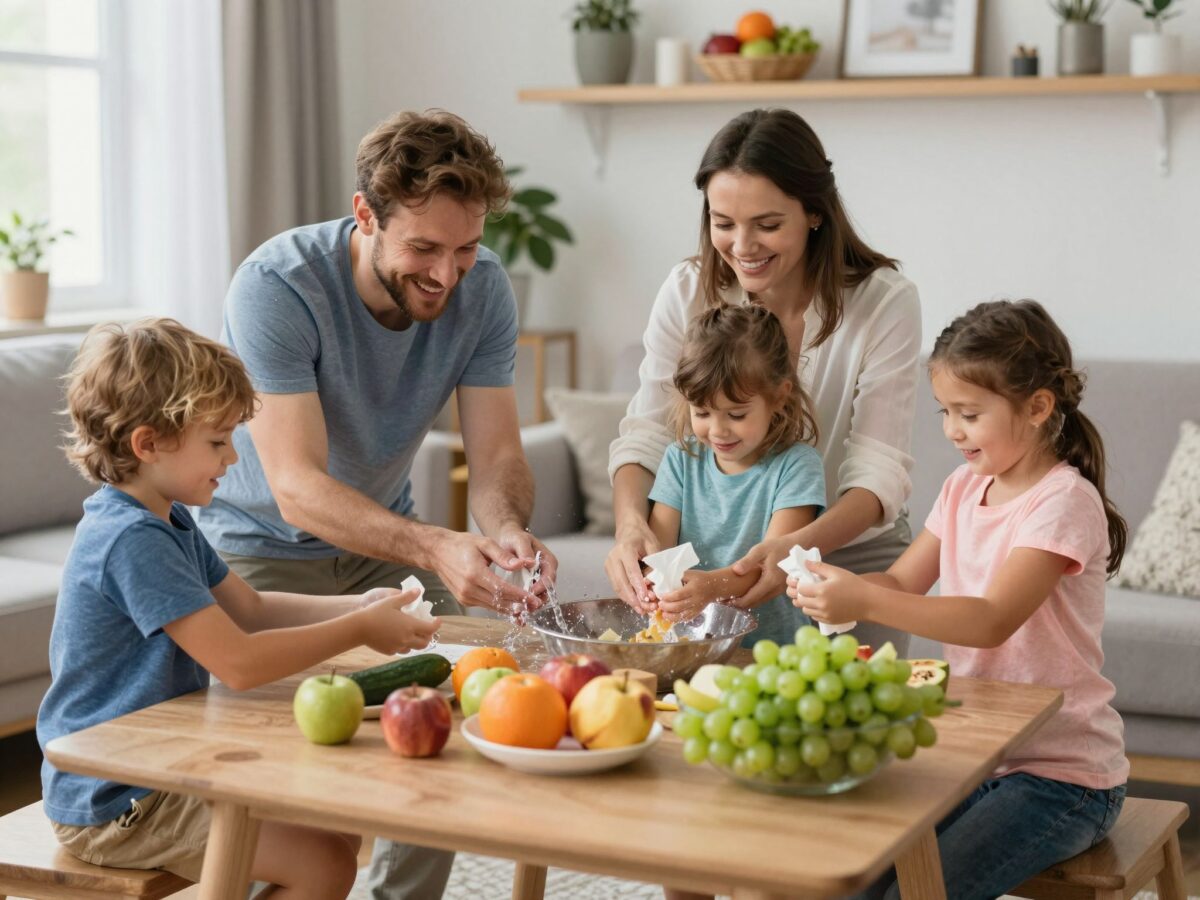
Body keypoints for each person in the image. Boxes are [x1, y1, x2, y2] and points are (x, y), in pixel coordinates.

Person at [195, 110, 560, 896]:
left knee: (446, 739)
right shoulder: (277, 287)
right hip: (254, 554)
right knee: (292, 795)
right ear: (365, 215)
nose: (446, 274)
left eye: (464, 249)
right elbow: (295, 487)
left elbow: (496, 453)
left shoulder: (483, 287)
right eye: (423, 249)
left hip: (377, 549)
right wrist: (434, 547)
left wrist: (506, 532)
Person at [37, 319, 441, 899]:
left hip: (163, 769)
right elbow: (240, 663)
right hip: (115, 796)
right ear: (147, 443)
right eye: (217, 441)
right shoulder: (131, 540)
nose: (232, 457)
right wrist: (358, 629)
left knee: (335, 834)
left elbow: (248, 609)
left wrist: (358, 602)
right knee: (323, 866)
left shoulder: (166, 516)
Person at [789, 300, 1128, 900]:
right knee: (850, 882)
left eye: (968, 413)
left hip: (1063, 780)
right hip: (977, 760)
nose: (951, 429)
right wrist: (831, 585)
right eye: (945, 411)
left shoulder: (1062, 504)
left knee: (916, 895)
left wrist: (863, 597)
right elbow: (900, 583)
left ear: (1038, 407)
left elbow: (990, 620)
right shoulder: (963, 487)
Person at [607, 107, 922, 658]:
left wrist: (793, 548)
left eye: (768, 224)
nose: (743, 246)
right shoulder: (687, 290)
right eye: (723, 223)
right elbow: (648, 433)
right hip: (718, 568)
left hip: (849, 561)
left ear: (815, 214)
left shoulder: (884, 302)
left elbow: (878, 473)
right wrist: (631, 525)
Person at [642, 304, 825, 647]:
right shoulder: (681, 460)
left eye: (737, 414)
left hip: (777, 649)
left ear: (779, 397)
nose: (718, 430)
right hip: (697, 647)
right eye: (703, 412)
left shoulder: (798, 465)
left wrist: (709, 586)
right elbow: (658, 553)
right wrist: (655, 585)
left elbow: (773, 562)